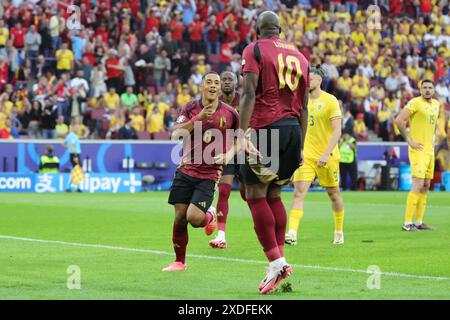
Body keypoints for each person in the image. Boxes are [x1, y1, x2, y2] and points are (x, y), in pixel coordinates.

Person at [239, 11, 309, 294]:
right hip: (293, 130)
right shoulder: (301, 57)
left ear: (258, 30)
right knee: (273, 194)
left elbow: (248, 93)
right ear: (279, 30)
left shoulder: (254, 49)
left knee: (254, 195)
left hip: (265, 128)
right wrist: (301, 145)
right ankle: (279, 259)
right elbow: (304, 105)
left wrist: (241, 133)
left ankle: (276, 262)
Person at [163, 72, 240, 272]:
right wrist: (198, 118)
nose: (213, 85)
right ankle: (180, 261)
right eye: (209, 82)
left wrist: (228, 155)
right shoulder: (190, 108)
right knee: (180, 217)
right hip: (186, 169)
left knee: (194, 219)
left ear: (220, 88)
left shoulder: (231, 113)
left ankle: (209, 217)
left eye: (216, 83)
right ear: (202, 86)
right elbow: (176, 134)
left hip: (209, 174)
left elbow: (242, 139)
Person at [285, 66, 345, 246]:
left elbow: (337, 131)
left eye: (311, 78)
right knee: (298, 193)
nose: (308, 81)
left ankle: (339, 231)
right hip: (307, 156)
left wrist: (326, 154)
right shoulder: (299, 101)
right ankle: (292, 233)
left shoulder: (330, 101)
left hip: (328, 155)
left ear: (320, 80)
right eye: (306, 79)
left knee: (333, 194)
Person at [395, 79, 440, 231]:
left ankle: (419, 222)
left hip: (430, 150)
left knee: (426, 185)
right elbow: (399, 120)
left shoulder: (436, 104)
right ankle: (407, 223)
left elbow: (432, 126)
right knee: (418, 184)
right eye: (425, 87)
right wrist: (409, 140)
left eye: (430, 87)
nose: (427, 90)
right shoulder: (415, 103)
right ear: (420, 89)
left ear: (434, 90)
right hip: (418, 150)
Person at [209, 71, 242, 249]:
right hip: (226, 151)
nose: (227, 82)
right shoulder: (215, 103)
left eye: (230, 79)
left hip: (244, 150)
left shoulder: (244, 99)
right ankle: (221, 235)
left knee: (247, 194)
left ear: (236, 82)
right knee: (224, 191)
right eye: (224, 80)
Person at [64, 124, 82, 192]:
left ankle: (73, 187)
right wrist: (75, 155)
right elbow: (72, 145)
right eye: (77, 127)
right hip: (75, 154)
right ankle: (72, 187)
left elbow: (65, 143)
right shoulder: (73, 136)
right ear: (73, 128)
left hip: (72, 154)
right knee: (77, 171)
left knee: (75, 171)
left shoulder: (69, 136)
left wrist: (69, 150)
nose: (78, 129)